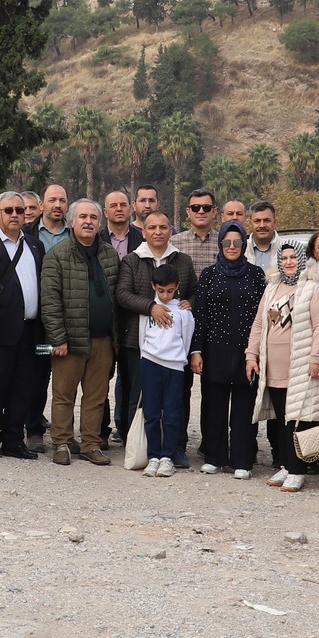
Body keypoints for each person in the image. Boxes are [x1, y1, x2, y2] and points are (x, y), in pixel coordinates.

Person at [40, 200, 121, 466]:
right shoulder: (57, 255)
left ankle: (90, 443)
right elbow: (50, 300)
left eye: (93, 217)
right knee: (64, 395)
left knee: (97, 397)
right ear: (72, 222)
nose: (88, 221)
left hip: (103, 340)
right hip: (69, 341)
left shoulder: (109, 255)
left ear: (100, 223)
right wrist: (57, 338)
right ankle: (62, 442)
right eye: (83, 217)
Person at [248, 243, 319, 492]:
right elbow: (260, 324)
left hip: (301, 367)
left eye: (294, 257)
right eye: (284, 258)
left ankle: (298, 470)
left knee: (298, 420)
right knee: (281, 419)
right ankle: (285, 465)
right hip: (274, 368)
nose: (289, 261)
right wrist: (251, 355)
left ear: (303, 259)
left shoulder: (314, 288)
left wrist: (316, 358)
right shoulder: (272, 287)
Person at [114, 210, 195, 461]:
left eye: (163, 227)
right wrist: (151, 307)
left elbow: (193, 292)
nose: (158, 232)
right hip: (139, 343)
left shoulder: (182, 260)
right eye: (152, 227)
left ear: (171, 230)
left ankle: (175, 447)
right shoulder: (132, 260)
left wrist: (188, 303)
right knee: (138, 396)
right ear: (144, 231)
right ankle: (137, 445)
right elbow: (123, 294)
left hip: (174, 348)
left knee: (177, 400)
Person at [0, 189, 45, 459]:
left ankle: (14, 440)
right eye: (9, 210)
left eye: (20, 210)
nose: (15, 215)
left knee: (24, 386)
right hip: (0, 330)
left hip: (32, 329)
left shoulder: (35, 245)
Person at [190, 222, 265, 479]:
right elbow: (200, 316)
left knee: (244, 409)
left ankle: (242, 460)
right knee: (214, 406)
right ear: (220, 245)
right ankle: (214, 456)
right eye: (226, 243)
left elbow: (262, 317)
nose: (231, 247)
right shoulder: (209, 275)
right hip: (215, 351)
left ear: (244, 245)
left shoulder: (256, 275)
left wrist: (256, 352)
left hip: (247, 353)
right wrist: (196, 351)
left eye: (236, 243)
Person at [136, 262, 196, 477]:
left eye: (170, 291)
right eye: (161, 290)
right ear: (153, 286)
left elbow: (187, 339)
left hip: (174, 366)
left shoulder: (183, 312)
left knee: (171, 413)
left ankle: (167, 457)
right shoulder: (148, 309)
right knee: (151, 412)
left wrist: (179, 359)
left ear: (177, 287)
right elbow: (142, 336)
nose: (165, 295)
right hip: (150, 362)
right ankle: (153, 455)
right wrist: (147, 356)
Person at [170, 190, 219, 269]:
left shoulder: (224, 243)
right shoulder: (173, 243)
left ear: (214, 211)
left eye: (206, 208)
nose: (201, 211)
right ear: (188, 212)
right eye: (195, 208)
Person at [245, 201, 281, 277]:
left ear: (275, 223)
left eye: (267, 220)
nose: (262, 225)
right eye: (257, 221)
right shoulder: (242, 250)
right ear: (250, 224)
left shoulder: (288, 249)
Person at [103, 189, 142, 255]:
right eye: (113, 206)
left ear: (129, 210)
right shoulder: (96, 240)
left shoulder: (142, 239)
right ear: (106, 212)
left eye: (123, 205)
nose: (119, 209)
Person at [35, 183, 72, 250]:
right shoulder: (26, 233)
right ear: (41, 205)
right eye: (52, 200)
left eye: (62, 201)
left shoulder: (75, 233)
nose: (58, 205)